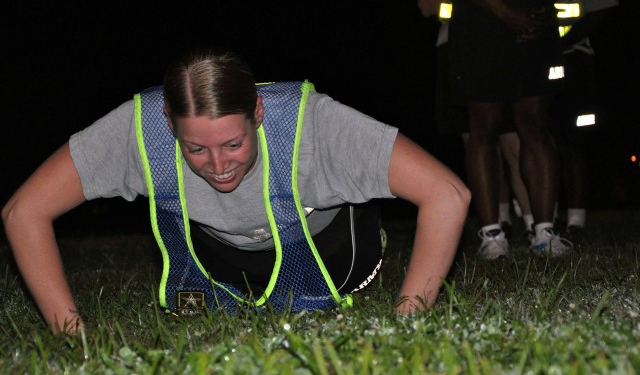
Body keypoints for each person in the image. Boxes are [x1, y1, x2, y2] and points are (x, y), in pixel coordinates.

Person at [2, 47, 470, 334]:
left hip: (331, 252)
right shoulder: (140, 128)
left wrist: (410, 317)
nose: (219, 166)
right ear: (170, 124)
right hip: (221, 256)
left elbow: (448, 193)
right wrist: (69, 332)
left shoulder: (316, 125)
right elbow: (23, 211)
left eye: (233, 143)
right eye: (196, 149)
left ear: (258, 114)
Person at [441, 0, 572, 259]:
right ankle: (492, 234)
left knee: (536, 123)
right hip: (480, 12)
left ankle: (545, 231)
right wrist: (507, 14)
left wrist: (541, 10)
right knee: (484, 124)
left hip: (533, 12)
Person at [418, 0, 534, 259]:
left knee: (515, 139)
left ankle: (537, 224)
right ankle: (495, 227)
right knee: (478, 139)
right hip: (461, 44)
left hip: (511, 42)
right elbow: (425, 3)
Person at [552, 0, 619, 239]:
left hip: (577, 60)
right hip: (535, 62)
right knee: (541, 137)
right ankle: (546, 217)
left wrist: (554, 41)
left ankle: (576, 221)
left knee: (573, 139)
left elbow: (597, 16)